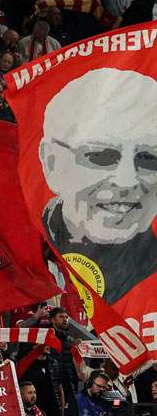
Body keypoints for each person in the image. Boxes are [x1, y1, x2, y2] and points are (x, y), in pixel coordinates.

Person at [38, 68, 157, 307]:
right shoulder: (25, 254)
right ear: (52, 162)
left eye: (148, 158)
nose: (126, 181)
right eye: (101, 156)